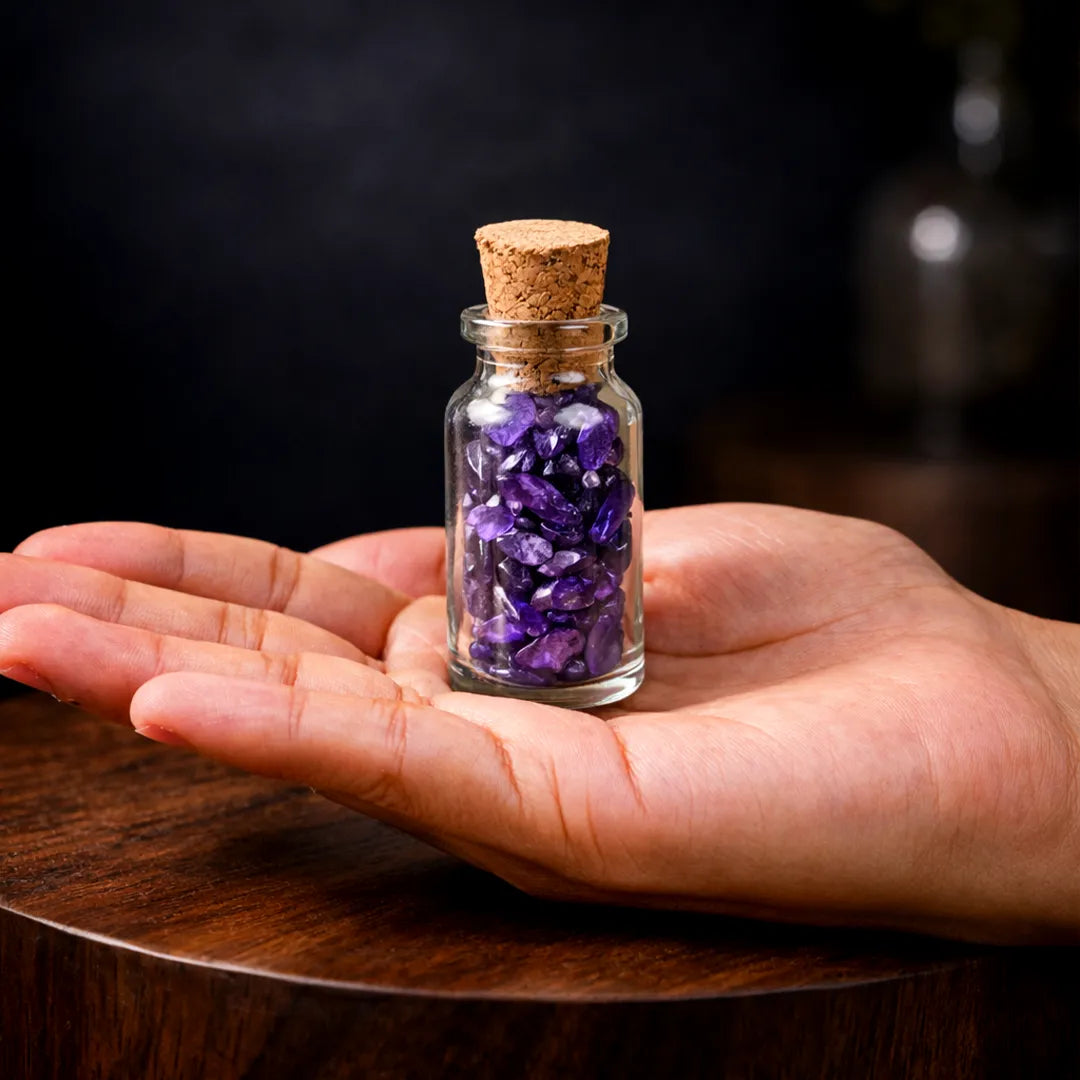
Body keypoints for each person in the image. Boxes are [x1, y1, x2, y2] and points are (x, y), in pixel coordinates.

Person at [1, 503, 1077, 943]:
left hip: (605, 672)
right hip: (505, 665)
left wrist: (1033, 693)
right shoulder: (487, 412)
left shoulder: (601, 411)